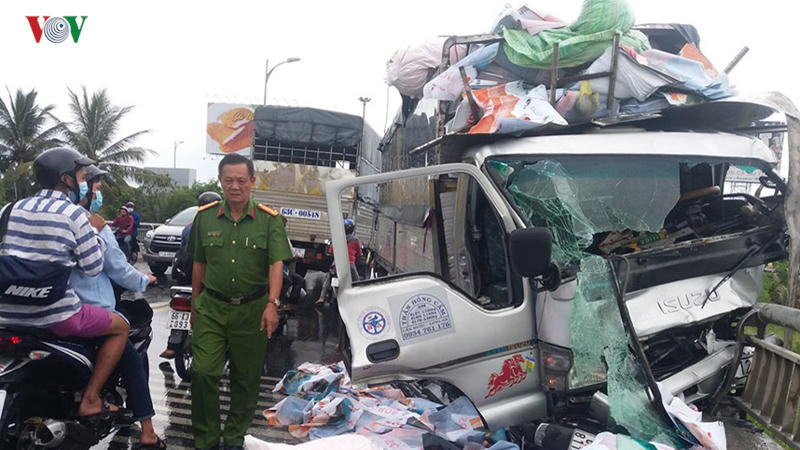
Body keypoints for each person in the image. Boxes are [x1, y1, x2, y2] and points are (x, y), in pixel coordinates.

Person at [0, 148, 130, 421]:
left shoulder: (9, 210)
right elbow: (93, 267)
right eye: (82, 176)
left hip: (6, 316)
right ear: (66, 179)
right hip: (55, 315)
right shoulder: (73, 215)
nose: (84, 182)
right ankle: (91, 399)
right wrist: (97, 234)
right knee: (121, 327)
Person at [187, 153, 291, 450]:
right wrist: (195, 303)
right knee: (204, 372)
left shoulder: (269, 221)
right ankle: (206, 439)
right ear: (220, 181)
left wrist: (272, 304)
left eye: (241, 181)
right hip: (212, 308)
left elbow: (276, 264)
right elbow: (199, 264)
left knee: (246, 378)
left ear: (252, 182)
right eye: (229, 180)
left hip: (253, 310)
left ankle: (234, 437)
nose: (235, 186)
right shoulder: (204, 217)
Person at [69, 165, 166, 449]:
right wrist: (144, 280)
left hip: (37, 308)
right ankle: (147, 430)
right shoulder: (90, 222)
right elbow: (117, 268)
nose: (97, 193)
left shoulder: (31, 213)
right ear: (78, 188)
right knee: (128, 351)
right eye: (94, 187)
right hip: (86, 309)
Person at [159, 190, 222, 360]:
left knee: (181, 307)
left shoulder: (188, 227)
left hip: (183, 276)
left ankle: (172, 346)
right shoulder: (220, 227)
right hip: (207, 278)